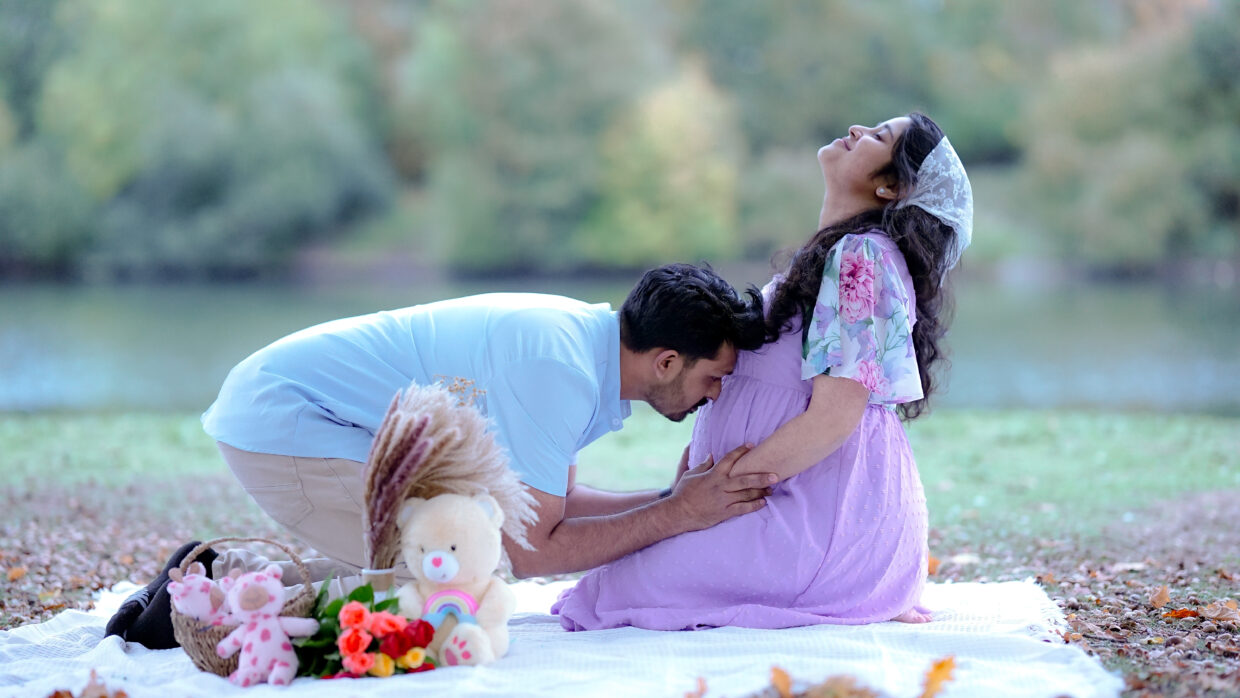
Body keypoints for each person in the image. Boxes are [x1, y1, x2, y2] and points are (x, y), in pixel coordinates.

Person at [106, 263, 778, 648]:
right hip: (287, 422)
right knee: (445, 592)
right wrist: (680, 515)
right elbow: (534, 551)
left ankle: (213, 571)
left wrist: (673, 498)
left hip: (315, 419)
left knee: (450, 568)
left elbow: (551, 511)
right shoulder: (560, 369)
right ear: (665, 360)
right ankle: (207, 602)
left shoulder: (585, 352)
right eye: (711, 378)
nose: (714, 397)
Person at [552, 112, 973, 630]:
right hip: (786, 508)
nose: (859, 130)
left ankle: (849, 587)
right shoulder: (831, 257)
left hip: (818, 522)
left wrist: (716, 494)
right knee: (619, 574)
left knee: (618, 588)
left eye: (879, 137)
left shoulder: (862, 259)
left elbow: (833, 418)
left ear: (890, 187)